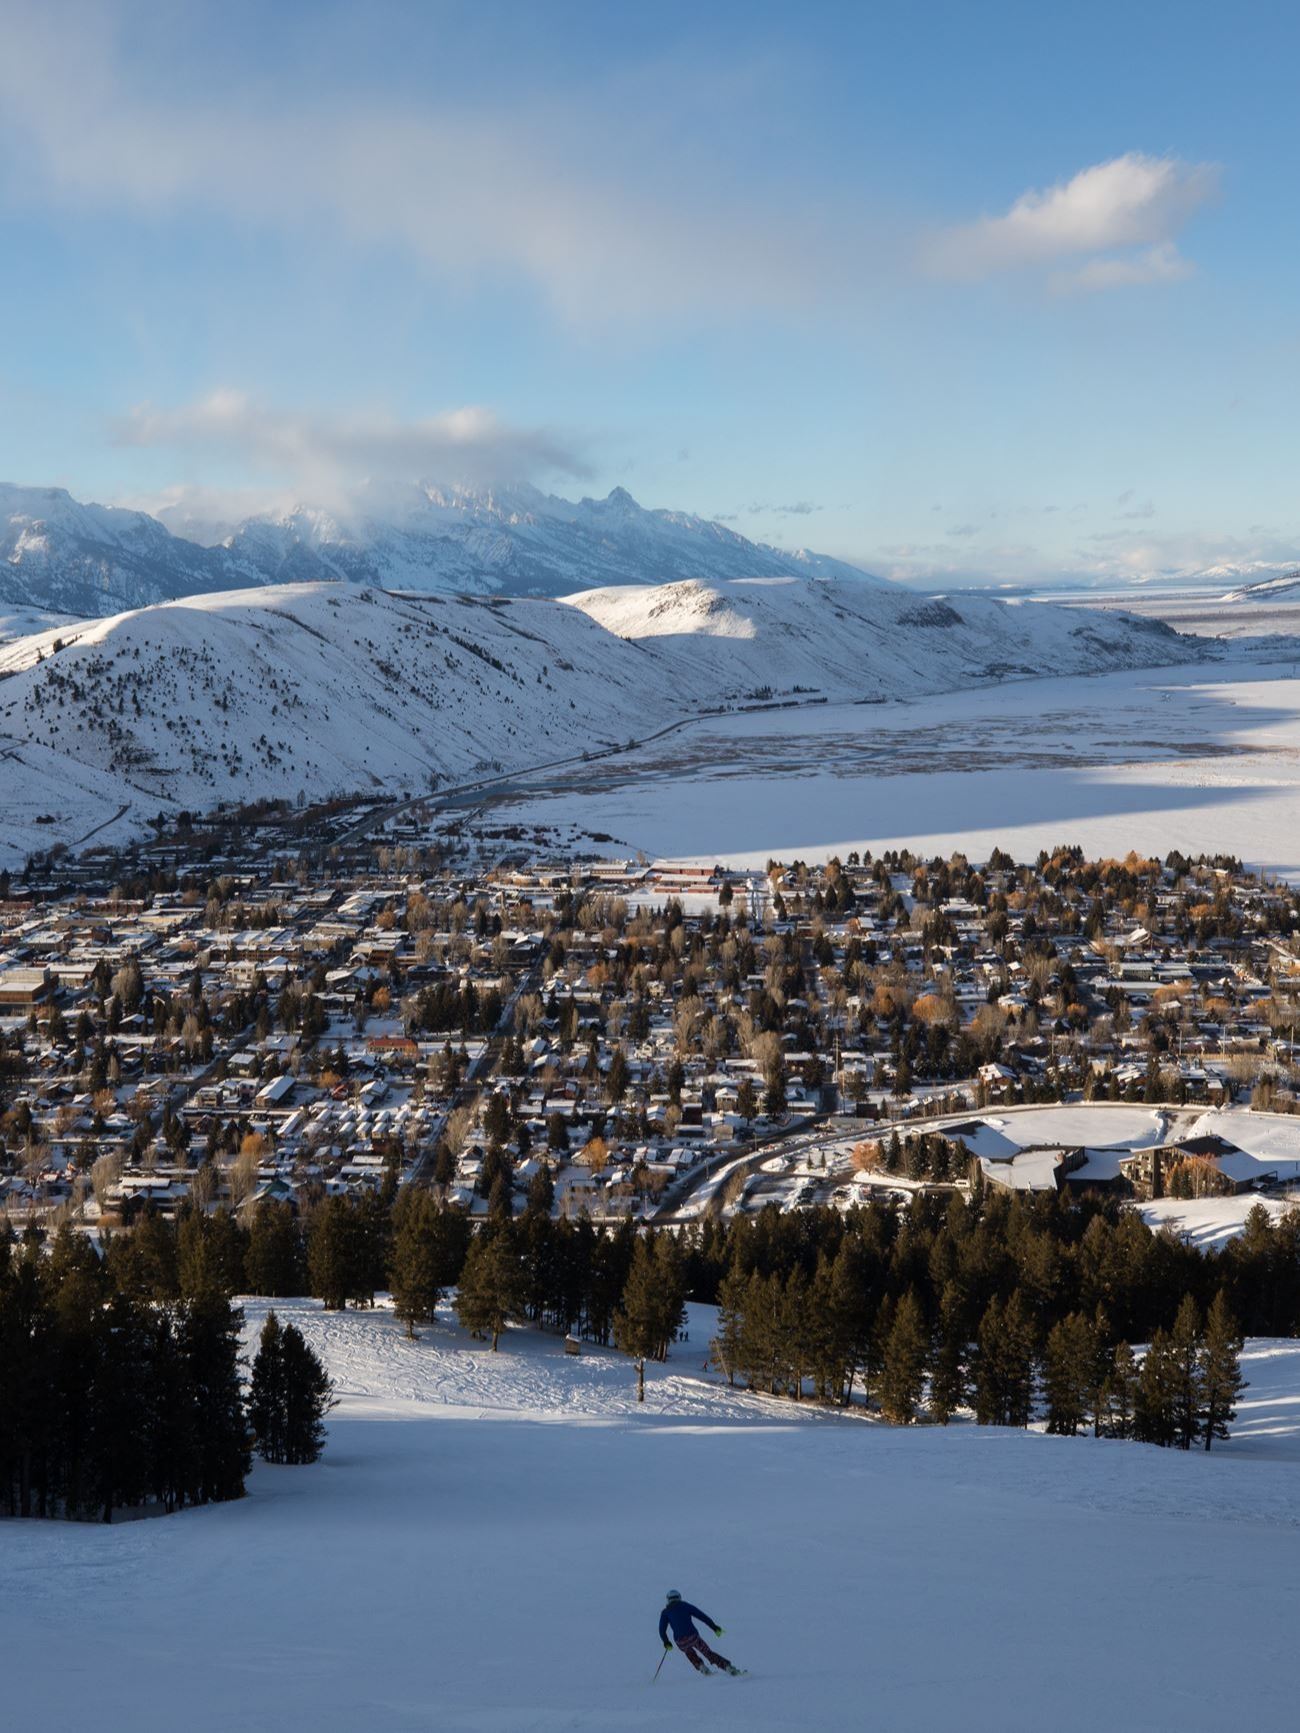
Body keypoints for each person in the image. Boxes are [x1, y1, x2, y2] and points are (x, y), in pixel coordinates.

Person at [658, 1589, 742, 1675]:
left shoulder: (665, 1612)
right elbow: (701, 1616)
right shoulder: (685, 1606)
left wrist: (666, 1642)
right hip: (692, 1636)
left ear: (668, 1599)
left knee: (689, 1653)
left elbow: (661, 1630)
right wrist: (714, 1627)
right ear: (679, 1597)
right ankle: (727, 1667)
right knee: (707, 1653)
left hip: (680, 1641)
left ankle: (702, 1668)